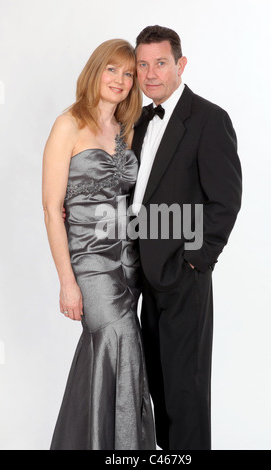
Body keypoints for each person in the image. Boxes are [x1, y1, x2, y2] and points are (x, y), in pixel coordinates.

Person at [131, 25, 242, 450]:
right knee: (157, 389)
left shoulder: (209, 119)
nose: (150, 73)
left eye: (160, 63)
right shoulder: (141, 120)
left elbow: (225, 201)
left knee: (186, 394)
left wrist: (194, 260)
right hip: (143, 276)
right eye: (143, 64)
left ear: (180, 65)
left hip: (182, 276)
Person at [42, 39, 156, 450]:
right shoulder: (68, 124)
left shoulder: (128, 129)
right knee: (118, 340)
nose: (121, 80)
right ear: (96, 70)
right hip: (90, 263)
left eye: (129, 74)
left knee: (110, 353)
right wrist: (67, 282)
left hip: (129, 262)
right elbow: (52, 209)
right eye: (113, 69)